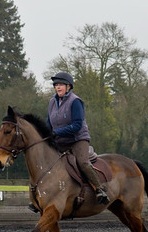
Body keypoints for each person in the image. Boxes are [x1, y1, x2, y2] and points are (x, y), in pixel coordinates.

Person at [46, 71, 109, 205]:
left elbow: (77, 125)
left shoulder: (75, 101)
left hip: (77, 139)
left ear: (68, 86)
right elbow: (48, 124)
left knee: (83, 163)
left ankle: (99, 189)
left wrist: (57, 132)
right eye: (56, 85)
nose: (58, 87)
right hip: (60, 140)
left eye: (61, 84)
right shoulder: (52, 102)